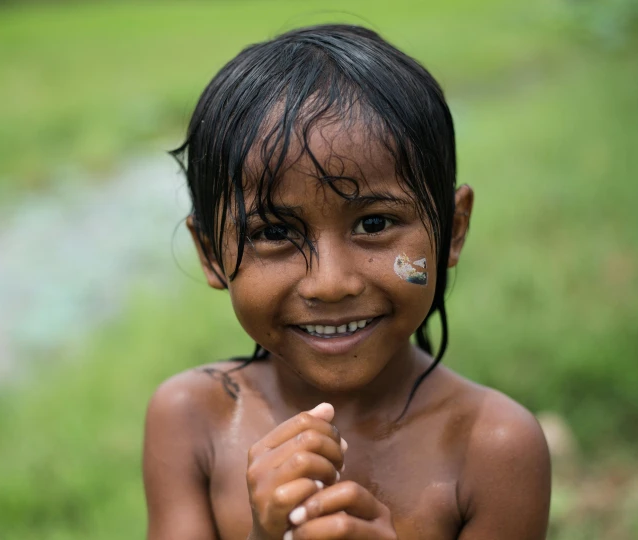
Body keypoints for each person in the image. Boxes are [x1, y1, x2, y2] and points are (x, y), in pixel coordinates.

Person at [143, 24, 551, 540]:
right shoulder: (193, 420)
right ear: (210, 254)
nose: (330, 283)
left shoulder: (493, 448)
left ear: (453, 229)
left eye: (374, 224)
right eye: (273, 232)